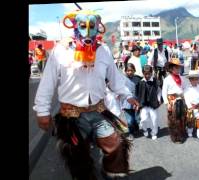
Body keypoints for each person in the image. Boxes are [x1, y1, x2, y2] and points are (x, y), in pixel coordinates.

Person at [33, 10, 140, 179]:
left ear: (99, 27)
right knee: (77, 157)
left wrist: (127, 95)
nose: (88, 30)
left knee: (116, 145)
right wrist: (42, 110)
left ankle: (111, 173)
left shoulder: (103, 50)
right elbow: (48, 81)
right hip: (72, 116)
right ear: (75, 26)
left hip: (98, 111)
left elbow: (114, 78)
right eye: (83, 25)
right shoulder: (60, 50)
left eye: (93, 25)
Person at [162, 57, 188, 143]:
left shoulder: (182, 78)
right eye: (176, 67)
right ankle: (175, 136)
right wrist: (167, 103)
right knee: (173, 119)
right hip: (172, 101)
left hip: (181, 99)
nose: (178, 69)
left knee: (182, 118)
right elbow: (164, 92)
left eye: (179, 67)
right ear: (171, 68)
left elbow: (185, 89)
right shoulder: (167, 79)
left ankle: (182, 133)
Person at [136, 65, 162, 140]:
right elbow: (138, 93)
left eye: (149, 73)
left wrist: (159, 99)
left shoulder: (155, 81)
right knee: (143, 119)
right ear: (143, 73)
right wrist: (138, 103)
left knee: (154, 119)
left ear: (151, 73)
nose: (147, 75)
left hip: (153, 103)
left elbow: (159, 91)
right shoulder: (140, 82)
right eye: (145, 74)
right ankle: (144, 129)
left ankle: (154, 133)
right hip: (144, 104)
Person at [184, 70, 199, 142]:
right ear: (190, 79)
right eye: (192, 79)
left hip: (198, 107)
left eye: (196, 79)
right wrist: (189, 106)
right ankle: (189, 131)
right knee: (190, 120)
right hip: (191, 107)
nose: (194, 80)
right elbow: (186, 97)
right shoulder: (187, 88)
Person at [122, 63, 142, 140]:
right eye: (128, 70)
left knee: (137, 119)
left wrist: (140, 102)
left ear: (134, 71)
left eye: (131, 70)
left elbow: (141, 91)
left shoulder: (138, 79)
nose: (129, 72)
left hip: (136, 103)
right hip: (126, 103)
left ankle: (136, 127)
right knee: (130, 120)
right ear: (125, 71)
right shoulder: (122, 79)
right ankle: (131, 133)